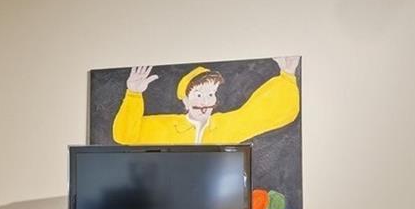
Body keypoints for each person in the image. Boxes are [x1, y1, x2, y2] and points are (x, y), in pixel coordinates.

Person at [111, 57, 300, 145]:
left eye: (211, 94)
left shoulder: (225, 125)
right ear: (185, 100)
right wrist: (133, 95)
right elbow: (125, 136)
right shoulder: (167, 126)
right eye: (199, 94)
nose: (205, 101)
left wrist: (287, 76)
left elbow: (272, 113)